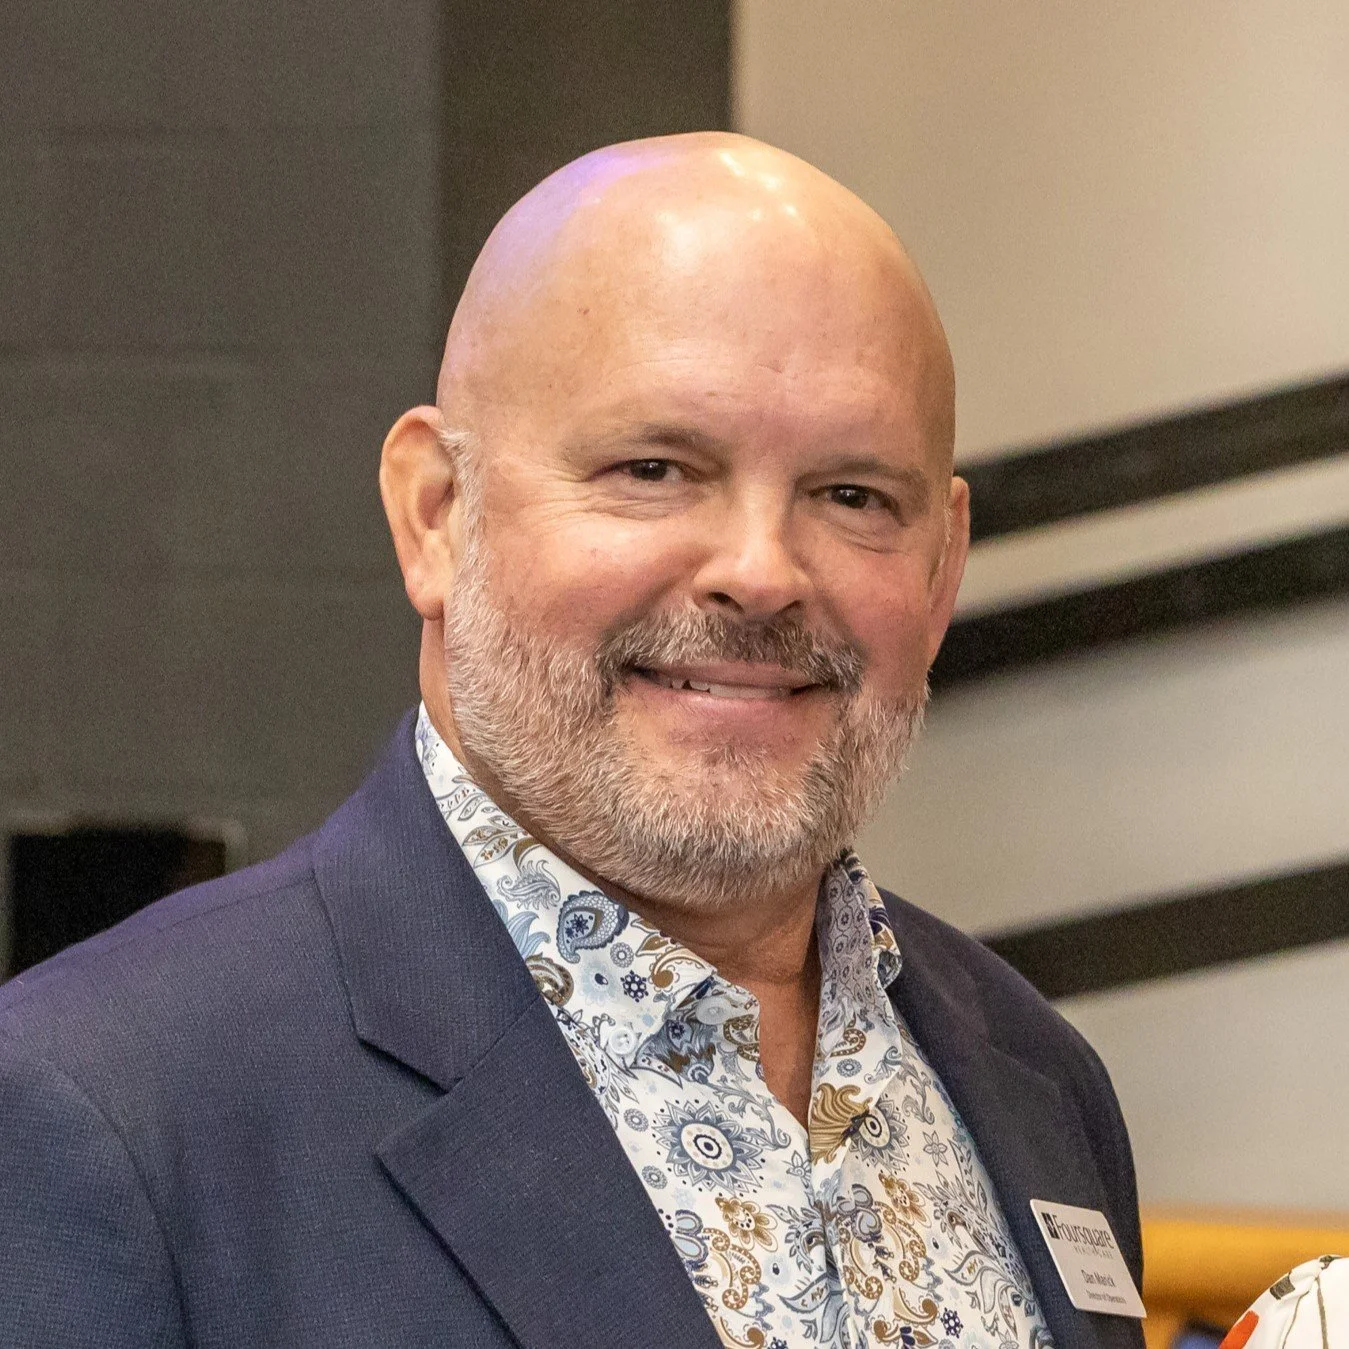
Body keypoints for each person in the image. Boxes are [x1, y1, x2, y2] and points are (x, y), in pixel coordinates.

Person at [0, 133, 1143, 1348]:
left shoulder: (1035, 1078)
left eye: (852, 495)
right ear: (436, 512)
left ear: (941, 563)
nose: (759, 572)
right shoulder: (108, 1112)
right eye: (653, 467)